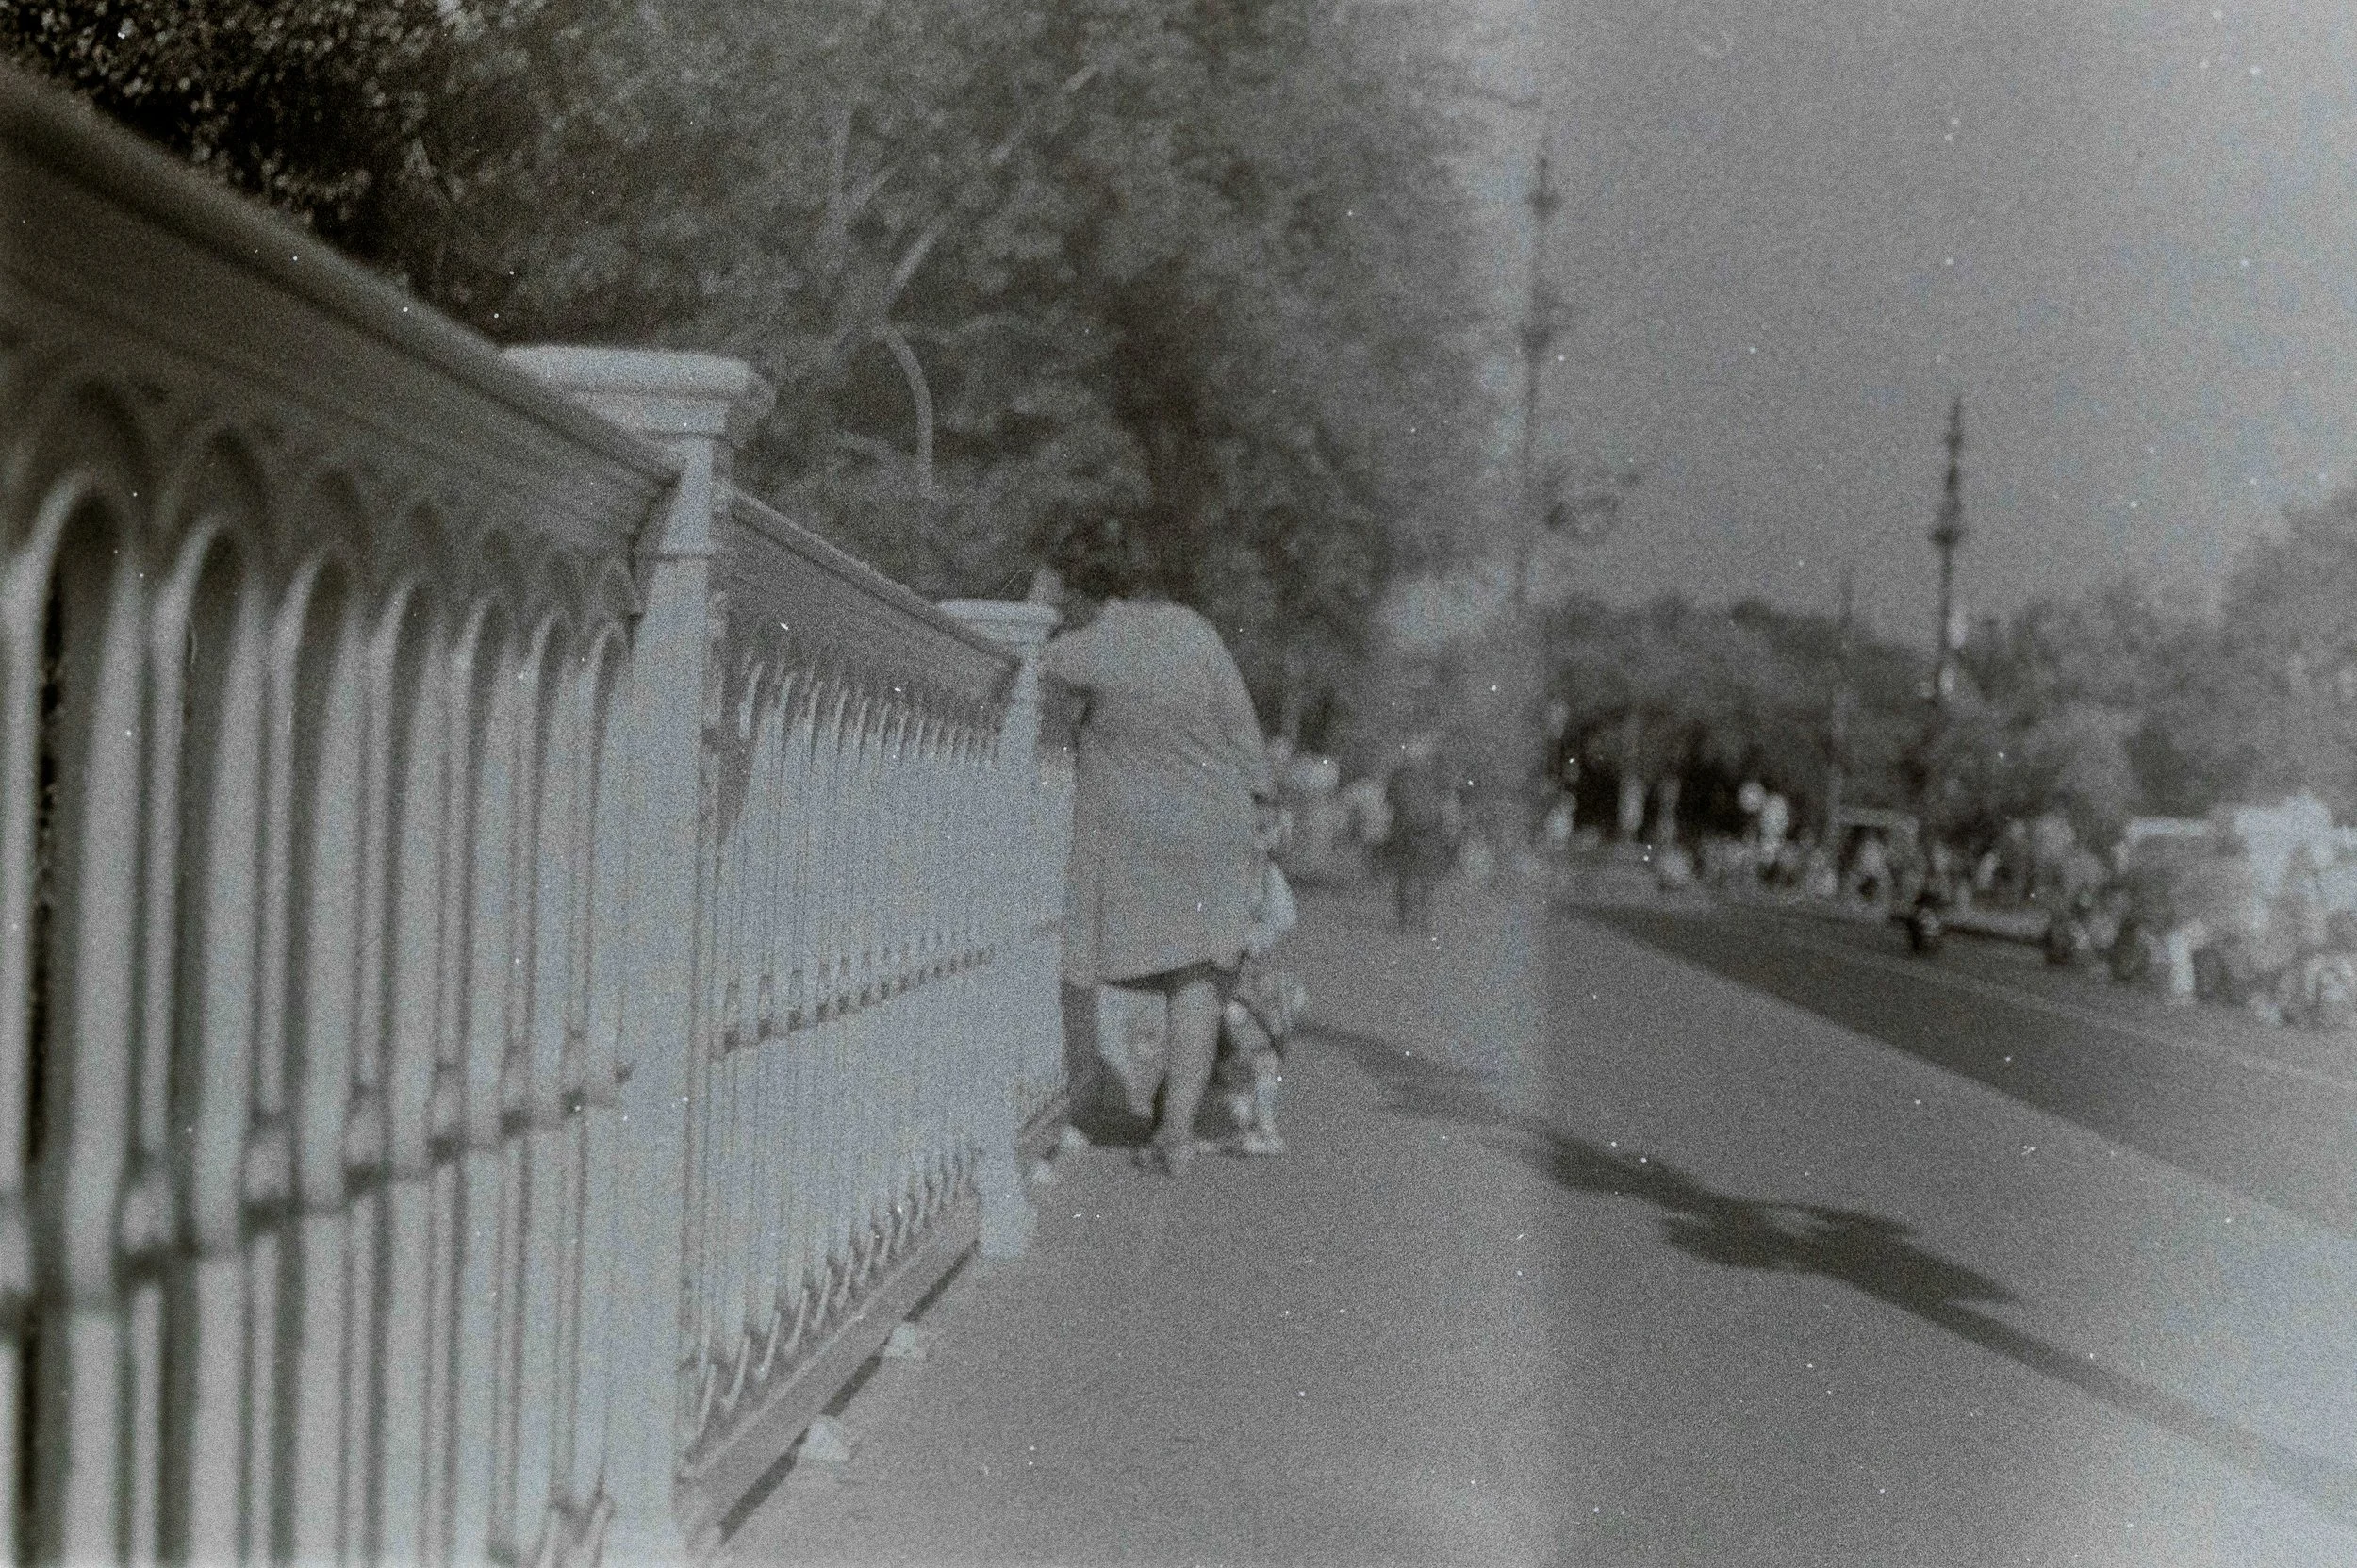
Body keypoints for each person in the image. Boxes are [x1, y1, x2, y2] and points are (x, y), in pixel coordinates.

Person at [1038, 571, 1273, 1178]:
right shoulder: (1198, 632)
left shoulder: (1094, 643)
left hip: (1141, 833)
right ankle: (1174, 1134)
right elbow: (1245, 732)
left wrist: (1041, 603)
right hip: (1216, 826)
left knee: (1091, 962)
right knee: (1196, 979)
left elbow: (1029, 659)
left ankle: (1070, 1098)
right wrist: (1263, 806)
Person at [1379, 733, 1459, 932]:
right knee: (1416, 876)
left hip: (1414, 831)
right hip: (1417, 832)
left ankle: (1411, 918)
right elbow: (1446, 804)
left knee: (1411, 876)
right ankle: (1416, 918)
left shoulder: (1407, 777)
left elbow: (1389, 802)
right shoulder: (1431, 778)